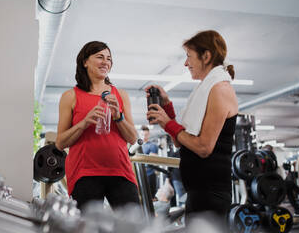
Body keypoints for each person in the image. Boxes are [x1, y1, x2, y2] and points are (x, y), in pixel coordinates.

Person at [145, 30, 238, 230]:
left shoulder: (219, 89)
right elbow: (183, 140)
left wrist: (167, 122)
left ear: (206, 56)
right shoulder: (204, 89)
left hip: (210, 194)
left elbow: (204, 147)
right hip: (197, 192)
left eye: (189, 56)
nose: (186, 63)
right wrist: (167, 107)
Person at [55, 41, 139, 210]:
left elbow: (132, 137)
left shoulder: (120, 95)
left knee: (132, 226)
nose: (105, 62)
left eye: (108, 58)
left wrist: (118, 117)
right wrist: (84, 123)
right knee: (87, 227)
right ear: (85, 62)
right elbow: (60, 143)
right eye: (100, 57)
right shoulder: (70, 96)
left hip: (120, 171)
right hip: (84, 174)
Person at [140, 125, 159, 197]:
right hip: (140, 174)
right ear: (140, 134)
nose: (144, 136)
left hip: (149, 174)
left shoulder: (152, 146)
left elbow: (152, 160)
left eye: (146, 135)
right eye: (142, 134)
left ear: (149, 135)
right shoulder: (137, 145)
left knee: (150, 196)